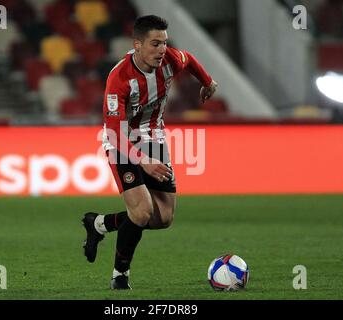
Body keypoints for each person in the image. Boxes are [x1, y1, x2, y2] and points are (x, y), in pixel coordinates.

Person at [82, 14, 218, 290]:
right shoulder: (119, 78)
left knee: (163, 219)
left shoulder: (170, 60)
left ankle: (99, 224)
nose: (161, 50)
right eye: (155, 44)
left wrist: (207, 81)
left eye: (164, 43)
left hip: (155, 138)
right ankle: (120, 276)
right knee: (142, 211)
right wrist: (143, 161)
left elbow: (189, 59)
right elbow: (114, 133)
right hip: (122, 144)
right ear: (137, 45)